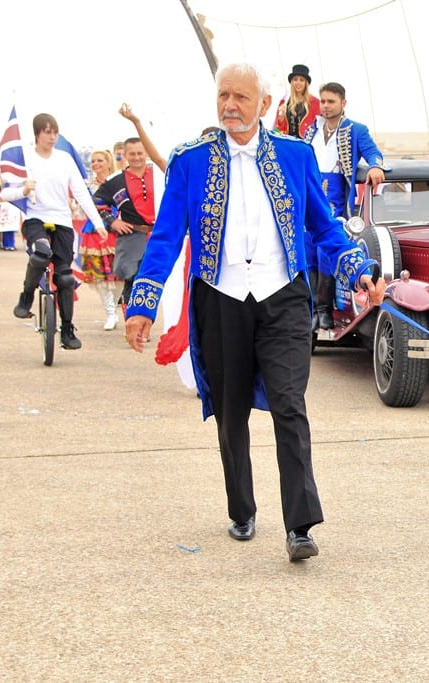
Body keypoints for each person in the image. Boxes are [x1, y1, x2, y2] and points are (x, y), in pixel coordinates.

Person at [123, 62, 385, 562]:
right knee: (231, 409)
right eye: (223, 95)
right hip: (220, 298)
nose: (229, 105)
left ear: (265, 104)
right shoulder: (189, 160)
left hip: (282, 296)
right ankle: (241, 508)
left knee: (290, 403)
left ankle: (300, 525)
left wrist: (358, 269)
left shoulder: (295, 154)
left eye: (241, 97)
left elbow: (324, 227)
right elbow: (165, 237)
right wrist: (143, 302)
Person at [4, 113, 108, 350]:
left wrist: (98, 223)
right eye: (47, 132)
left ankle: (67, 330)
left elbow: (80, 192)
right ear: (37, 134)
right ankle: (26, 296)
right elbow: (5, 193)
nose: (52, 137)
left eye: (54, 132)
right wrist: (23, 190)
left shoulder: (64, 159)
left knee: (65, 277)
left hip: (61, 220)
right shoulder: (24, 158)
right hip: (35, 218)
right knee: (41, 253)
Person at [302, 81, 385, 329]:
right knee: (307, 251)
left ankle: (324, 309)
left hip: (335, 195)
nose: (325, 106)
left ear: (343, 103)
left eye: (331, 101)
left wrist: (375, 165)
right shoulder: (311, 130)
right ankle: (310, 309)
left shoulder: (355, 129)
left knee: (326, 251)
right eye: (323, 101)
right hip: (310, 191)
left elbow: (373, 152)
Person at [93, 137, 164, 309]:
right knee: (132, 279)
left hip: (159, 234)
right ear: (125, 155)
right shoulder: (115, 181)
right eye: (132, 154)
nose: (137, 157)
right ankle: (132, 320)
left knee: (157, 279)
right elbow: (97, 202)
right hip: (132, 235)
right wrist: (112, 221)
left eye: (140, 153)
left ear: (146, 153)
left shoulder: (159, 175)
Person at [77, 149, 120, 330]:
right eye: (93, 161)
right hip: (95, 233)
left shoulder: (118, 182)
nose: (96, 164)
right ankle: (110, 312)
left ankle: (115, 306)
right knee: (99, 276)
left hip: (117, 231)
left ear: (109, 163)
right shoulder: (87, 186)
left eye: (100, 160)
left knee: (120, 275)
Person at [273, 64, 320, 138]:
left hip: (306, 141)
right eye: (295, 79)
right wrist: (281, 119)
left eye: (301, 80)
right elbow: (278, 129)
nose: (298, 82)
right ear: (291, 82)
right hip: (287, 140)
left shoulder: (315, 102)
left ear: (306, 83)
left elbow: (319, 126)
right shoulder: (284, 102)